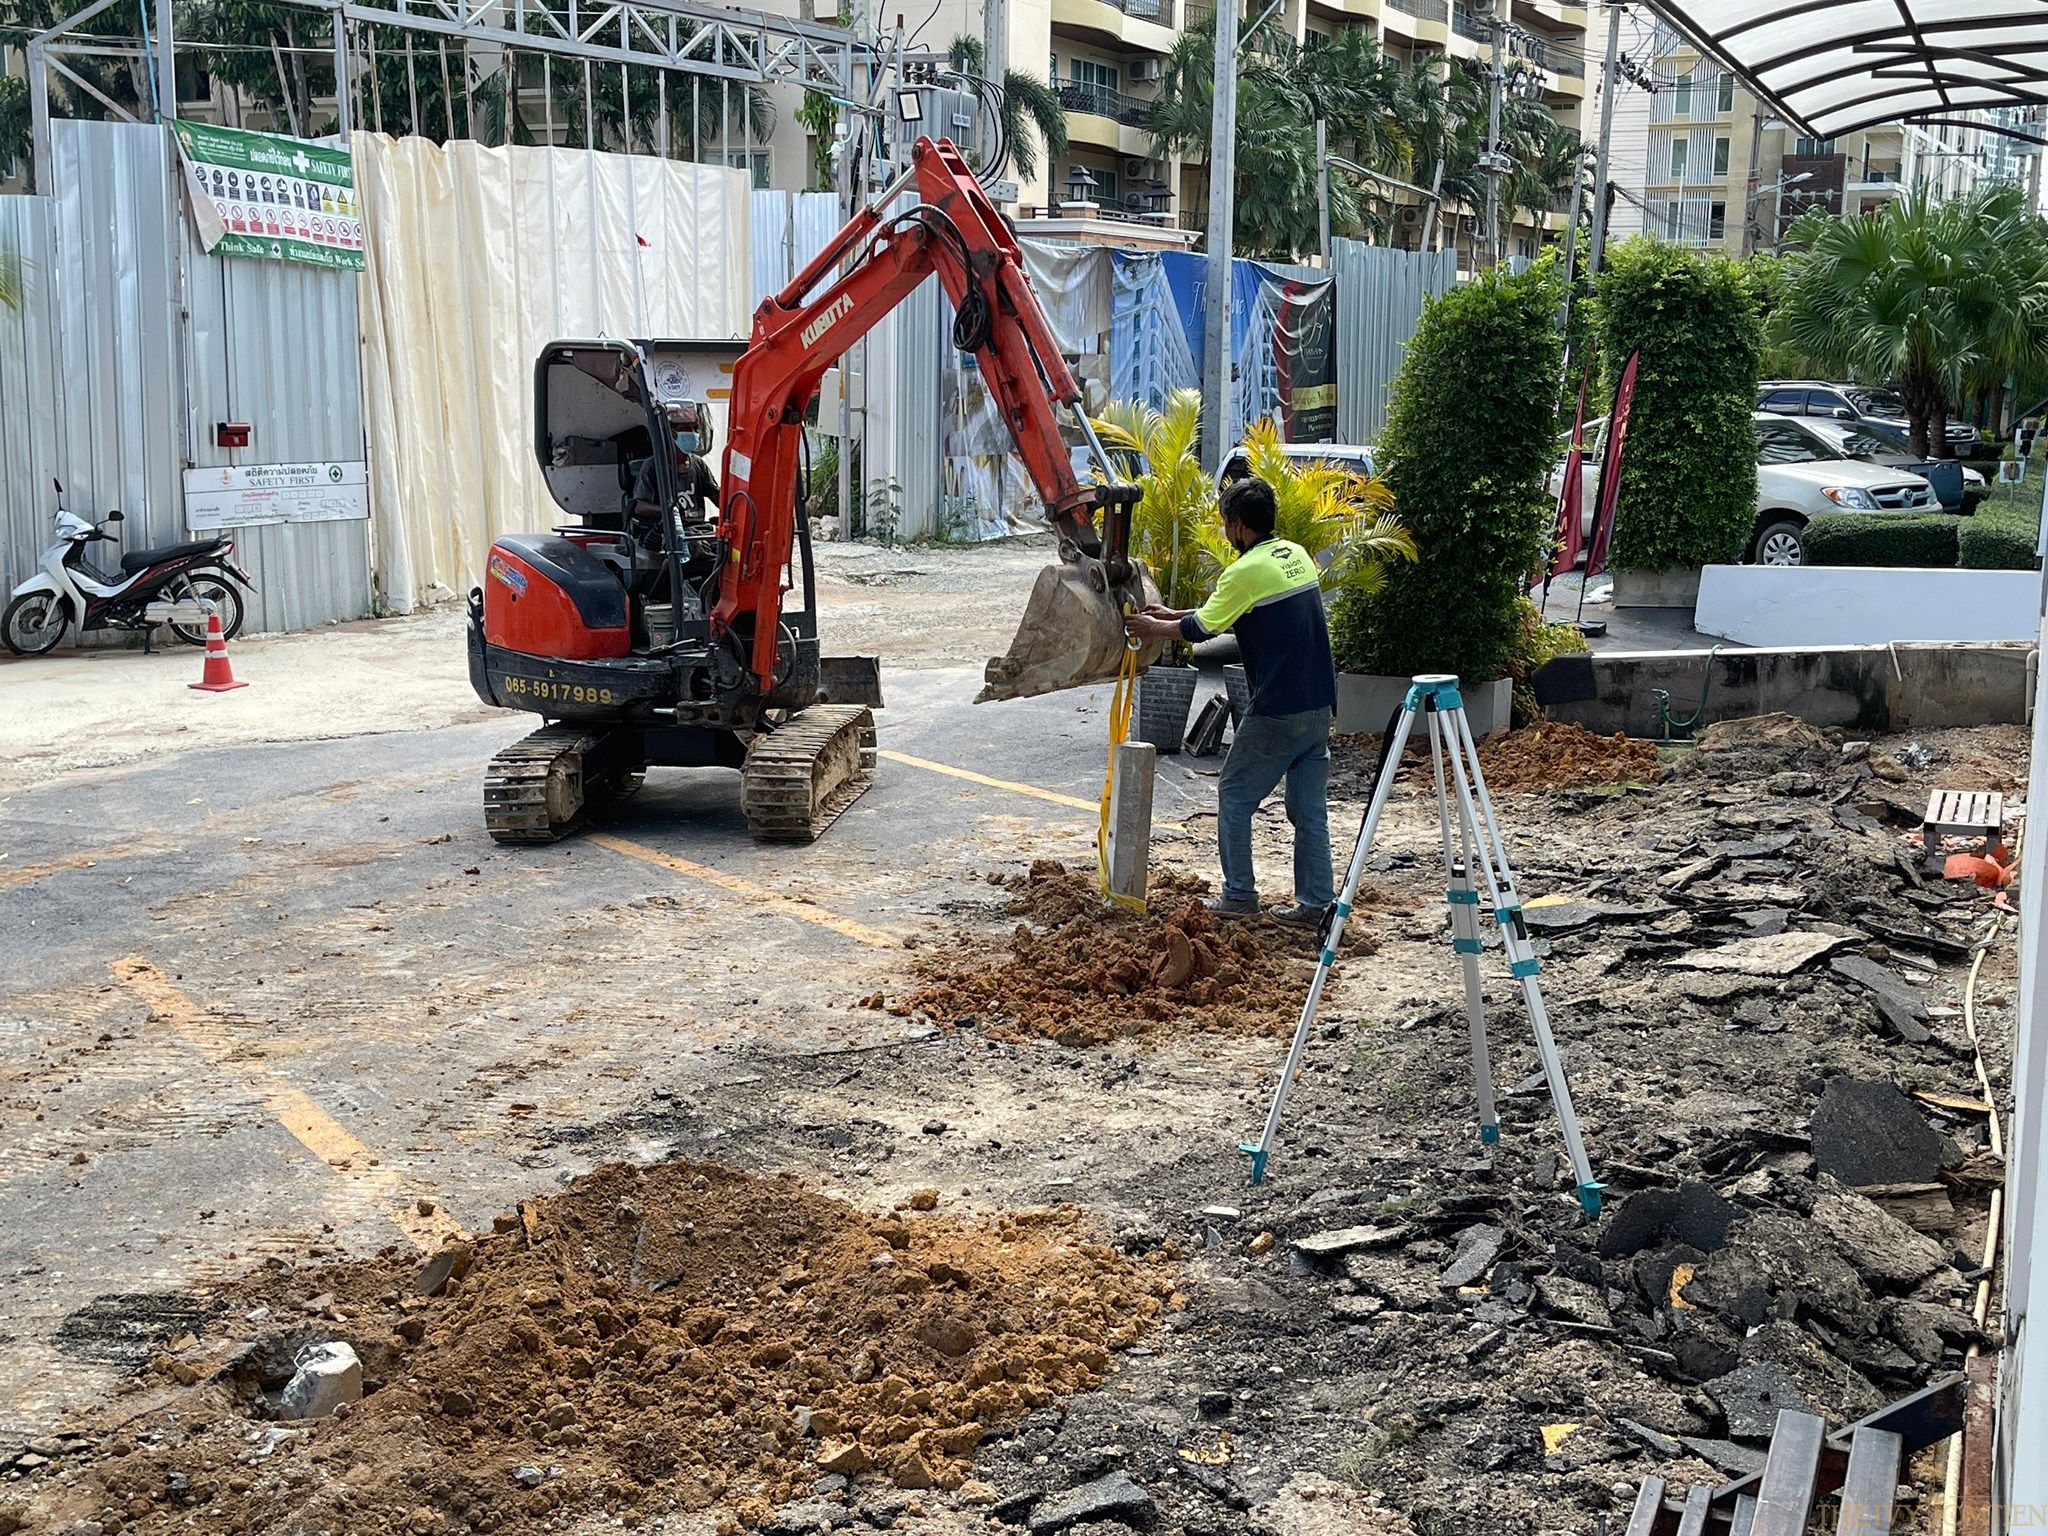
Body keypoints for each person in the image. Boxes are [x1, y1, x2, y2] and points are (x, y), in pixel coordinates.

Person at [1124, 476, 1335, 929]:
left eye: (1226, 523)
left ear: (1238, 525)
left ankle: (1239, 894)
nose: (1225, 531)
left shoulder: (1243, 571)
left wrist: (1149, 628)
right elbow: (1226, 610)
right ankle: (1316, 904)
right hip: (1319, 705)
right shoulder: (1293, 555)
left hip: (1277, 708)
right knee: (1309, 812)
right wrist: (1169, 615)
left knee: (1235, 795)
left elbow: (1201, 631)